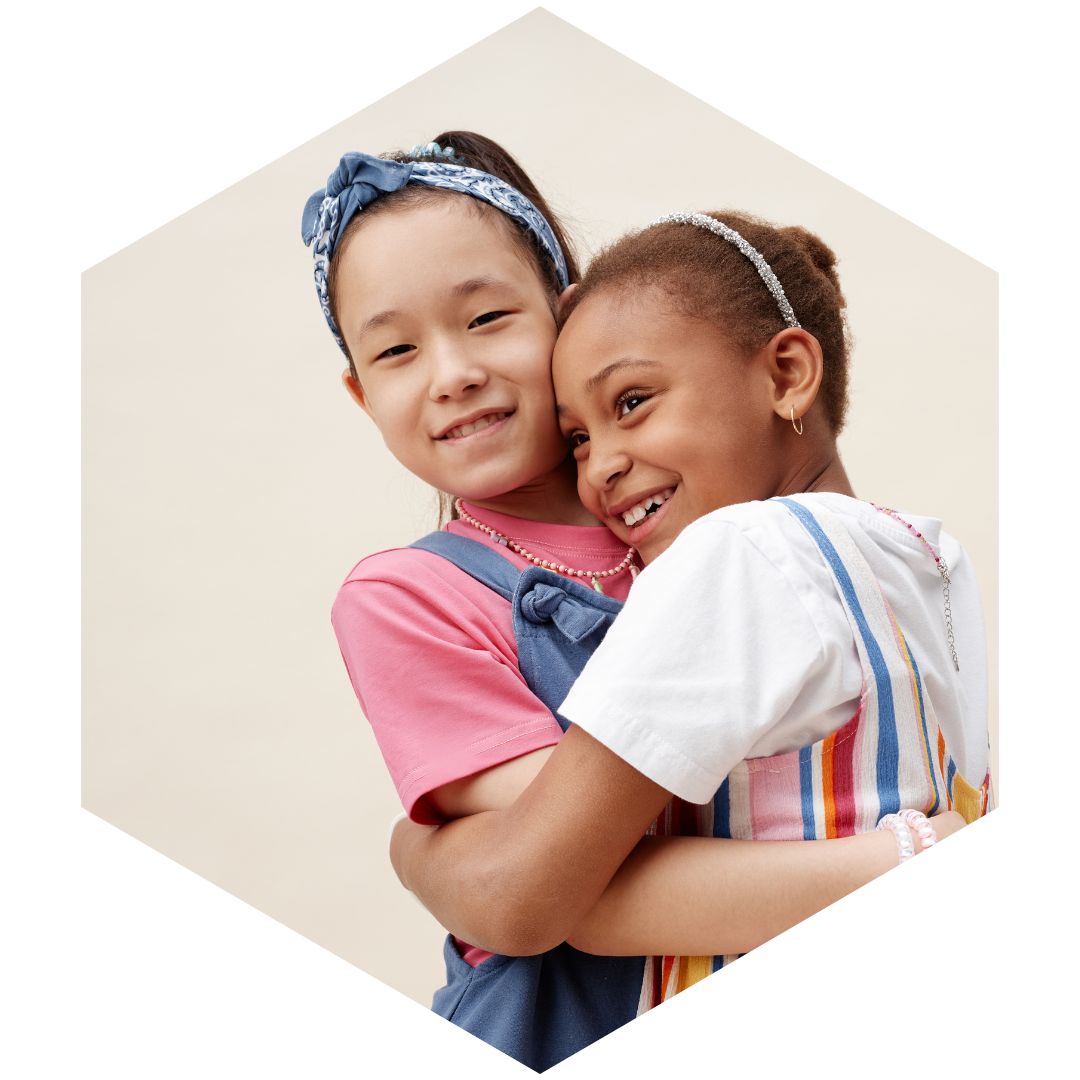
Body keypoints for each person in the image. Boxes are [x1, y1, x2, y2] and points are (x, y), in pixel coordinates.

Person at [303, 138, 965, 1071]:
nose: (451, 371)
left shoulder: (702, 515)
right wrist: (891, 864)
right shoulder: (411, 598)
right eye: (397, 349)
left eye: (489, 317)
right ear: (360, 392)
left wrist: (430, 861)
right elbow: (574, 869)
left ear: (565, 312)